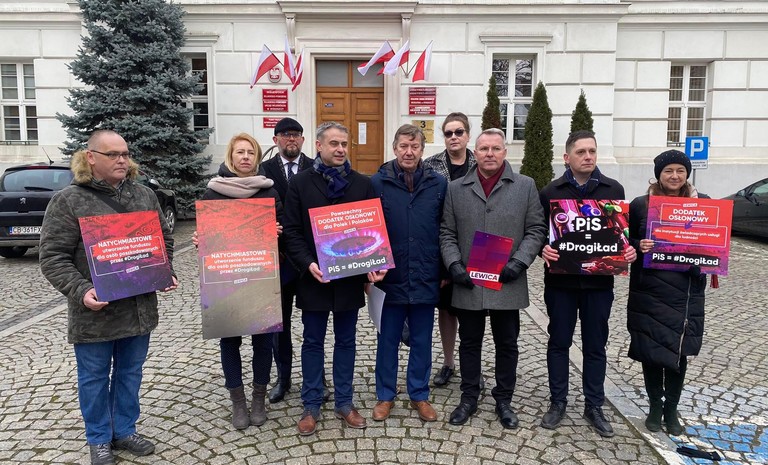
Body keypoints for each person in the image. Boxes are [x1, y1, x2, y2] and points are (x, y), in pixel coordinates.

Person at [39, 130, 177, 465]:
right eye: (112, 154)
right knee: (94, 378)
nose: (121, 160)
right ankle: (99, 438)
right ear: (91, 157)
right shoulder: (69, 200)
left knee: (130, 373)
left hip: (138, 309)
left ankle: (125, 430)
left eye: (125, 154)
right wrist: (81, 290)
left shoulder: (144, 195)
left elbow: (164, 239)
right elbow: (52, 257)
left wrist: (164, 270)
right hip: (95, 313)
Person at [283, 121, 386, 436]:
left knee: (346, 341)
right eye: (334, 144)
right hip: (314, 278)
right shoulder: (300, 183)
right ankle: (311, 404)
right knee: (312, 341)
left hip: (349, 279)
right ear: (318, 146)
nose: (341, 149)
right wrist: (308, 264)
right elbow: (291, 231)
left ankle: (344, 402)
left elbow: (373, 230)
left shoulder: (362, 184)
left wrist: (374, 263)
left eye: (344, 143)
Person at [439, 128, 546, 428]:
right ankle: (469, 397)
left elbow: (536, 229)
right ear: (475, 153)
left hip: (507, 279)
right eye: (484, 149)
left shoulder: (525, 186)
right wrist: (453, 264)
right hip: (469, 281)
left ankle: (504, 399)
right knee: (469, 342)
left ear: (504, 152)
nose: (489, 154)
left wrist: (520, 262)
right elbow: (446, 232)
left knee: (507, 343)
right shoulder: (456, 188)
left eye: (495, 148)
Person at [538, 130, 637, 438]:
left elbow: (621, 233)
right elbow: (538, 231)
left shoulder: (613, 189)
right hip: (561, 283)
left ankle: (594, 405)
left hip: (599, 284)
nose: (588, 156)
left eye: (592, 151)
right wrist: (542, 247)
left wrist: (629, 249)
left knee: (595, 346)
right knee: (559, 343)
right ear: (567, 157)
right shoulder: (551, 192)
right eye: (581, 152)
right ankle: (558, 401)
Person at [199, 133, 283, 430]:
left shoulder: (268, 192)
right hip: (227, 277)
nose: (245, 157)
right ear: (231, 157)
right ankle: (237, 401)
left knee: (263, 341)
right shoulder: (213, 193)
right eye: (240, 152)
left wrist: (278, 231)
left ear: (256, 158)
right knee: (230, 340)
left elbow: (284, 229)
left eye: (250, 152)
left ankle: (258, 398)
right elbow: (209, 239)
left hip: (261, 275)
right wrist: (201, 240)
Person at [627, 150, 708, 435]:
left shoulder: (703, 204)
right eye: (668, 171)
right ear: (658, 175)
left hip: (685, 291)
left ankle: (671, 408)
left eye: (680, 171)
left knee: (678, 351)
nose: (675, 176)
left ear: (687, 174)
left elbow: (714, 243)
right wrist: (638, 245)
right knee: (651, 349)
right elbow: (625, 239)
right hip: (650, 288)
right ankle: (654, 406)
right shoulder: (640, 205)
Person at [370, 124, 447, 422]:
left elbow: (445, 228)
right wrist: (368, 268)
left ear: (422, 150)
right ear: (394, 148)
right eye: (404, 146)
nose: (409, 152)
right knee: (387, 340)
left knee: (422, 340)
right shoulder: (378, 182)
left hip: (426, 272)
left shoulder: (438, 184)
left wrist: (444, 269)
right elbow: (367, 228)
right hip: (389, 276)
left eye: (415, 146)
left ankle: (419, 394)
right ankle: (385, 395)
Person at [258, 117, 313, 403]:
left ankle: (316, 377)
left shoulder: (315, 167)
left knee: (314, 323)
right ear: (276, 139)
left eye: (296, 134)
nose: (292, 139)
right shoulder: (262, 170)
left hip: (308, 260)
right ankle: (283, 377)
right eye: (286, 134)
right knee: (279, 325)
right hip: (276, 259)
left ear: (303, 140)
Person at [423, 112, 477, 388]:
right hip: (443, 247)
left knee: (473, 311)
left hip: (475, 248)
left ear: (467, 135)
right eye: (448, 133)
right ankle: (448, 362)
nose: (454, 137)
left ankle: (472, 364)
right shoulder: (429, 165)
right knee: (446, 309)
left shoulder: (481, 163)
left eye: (459, 132)